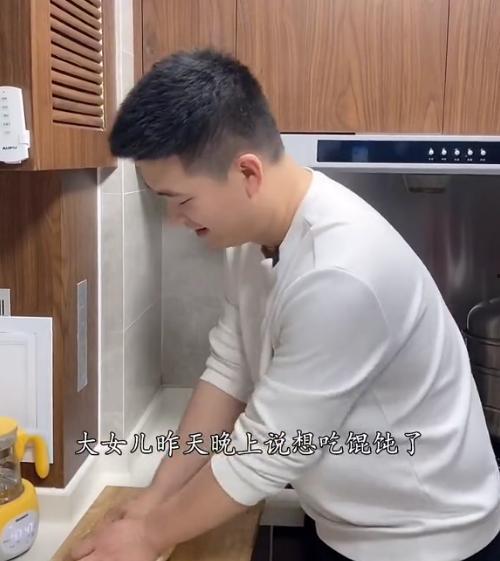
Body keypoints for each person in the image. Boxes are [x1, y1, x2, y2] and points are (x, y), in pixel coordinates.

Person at [71, 49, 500, 561]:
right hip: (347, 526)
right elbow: (229, 373)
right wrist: (154, 499)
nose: (174, 220)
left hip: (424, 542)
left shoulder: (341, 272)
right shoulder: (250, 240)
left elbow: (266, 451)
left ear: (247, 174)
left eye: (181, 200)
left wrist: (149, 537)